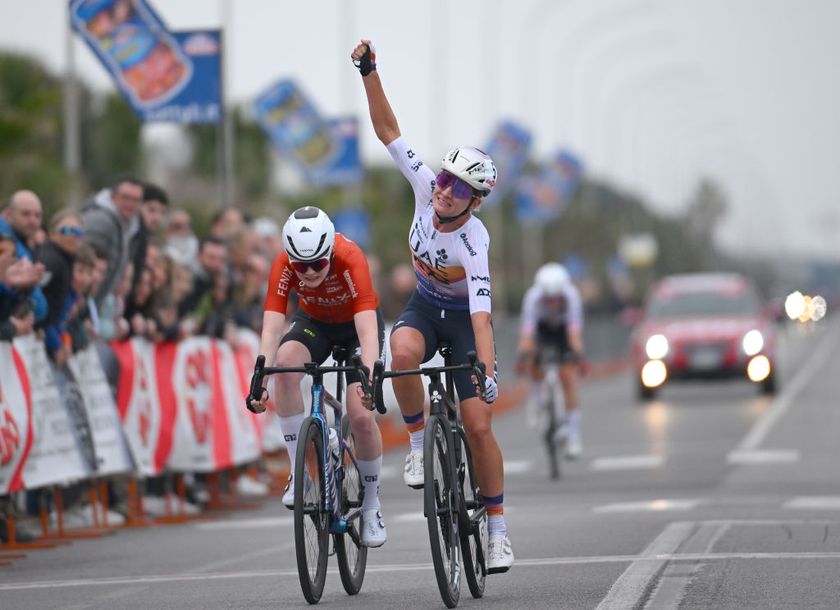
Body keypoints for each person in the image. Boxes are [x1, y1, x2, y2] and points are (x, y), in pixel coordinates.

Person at [351, 40, 513, 572]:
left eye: (459, 189)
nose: (444, 191)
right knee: (400, 349)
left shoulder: (475, 244)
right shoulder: (425, 186)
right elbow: (388, 132)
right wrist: (369, 71)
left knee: (479, 425)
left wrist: (487, 373)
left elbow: (482, 317)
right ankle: (419, 442)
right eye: (444, 179)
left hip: (465, 325)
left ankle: (496, 528)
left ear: (476, 201)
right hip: (424, 306)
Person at [247, 206, 388, 548]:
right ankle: (301, 475)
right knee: (284, 364)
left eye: (317, 265)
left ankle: (371, 504)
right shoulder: (282, 264)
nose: (308, 273)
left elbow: (368, 329)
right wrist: (261, 377)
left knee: (361, 416)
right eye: (300, 266)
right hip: (316, 325)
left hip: (356, 327)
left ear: (328, 253)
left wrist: (369, 377)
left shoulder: (350, 256)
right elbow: (272, 325)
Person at [516, 262, 586, 458]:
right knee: (532, 358)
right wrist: (523, 355)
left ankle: (573, 435)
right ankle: (536, 397)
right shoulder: (532, 298)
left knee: (568, 376)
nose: (553, 303)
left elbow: (574, 334)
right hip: (542, 329)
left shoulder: (572, 297)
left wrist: (578, 356)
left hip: (563, 331)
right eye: (549, 299)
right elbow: (527, 334)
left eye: (557, 299)